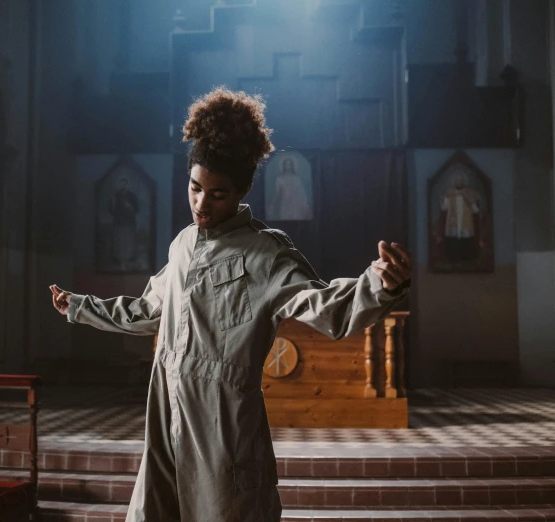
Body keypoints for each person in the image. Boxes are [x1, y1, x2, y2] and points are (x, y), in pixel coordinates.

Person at [50, 87, 411, 522]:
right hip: (165, 414)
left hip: (224, 426)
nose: (202, 203)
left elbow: (325, 305)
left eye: (217, 194)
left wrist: (380, 284)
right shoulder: (182, 245)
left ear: (239, 192)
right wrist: (81, 307)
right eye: (194, 188)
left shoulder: (265, 253)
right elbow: (148, 309)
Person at [438, 170, 482, 263]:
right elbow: (444, 207)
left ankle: (467, 260)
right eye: (457, 180)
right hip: (453, 221)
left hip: (465, 222)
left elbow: (475, 209)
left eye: (461, 180)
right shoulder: (449, 192)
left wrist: (472, 204)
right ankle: (453, 260)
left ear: (464, 181)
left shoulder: (469, 192)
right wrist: (442, 200)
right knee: (453, 241)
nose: (459, 182)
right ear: (454, 181)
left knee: (466, 240)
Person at [268, 156, 312, 220]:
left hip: (296, 202)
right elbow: (277, 193)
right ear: (284, 166)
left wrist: (305, 204)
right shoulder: (279, 179)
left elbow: (301, 192)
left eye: (290, 164)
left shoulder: (296, 178)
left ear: (292, 166)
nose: (288, 166)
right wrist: (272, 205)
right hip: (285, 202)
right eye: (286, 164)